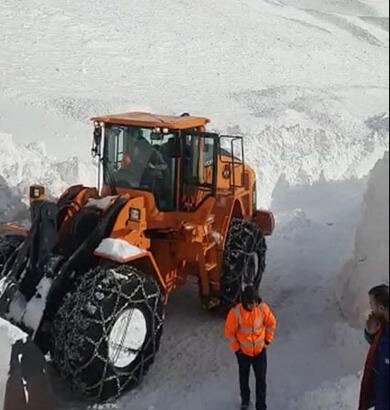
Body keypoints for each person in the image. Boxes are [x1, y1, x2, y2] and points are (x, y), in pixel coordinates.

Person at [225, 285, 277, 410]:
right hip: (244, 354)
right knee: (244, 379)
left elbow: (271, 323)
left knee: (261, 381)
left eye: (254, 303)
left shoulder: (263, 309)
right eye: (250, 304)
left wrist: (268, 340)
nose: (252, 306)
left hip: (260, 353)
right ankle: (245, 401)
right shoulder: (235, 313)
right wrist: (237, 350)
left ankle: (261, 406)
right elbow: (229, 333)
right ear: (244, 302)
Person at [359, 284, 389, 410]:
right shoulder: (382, 325)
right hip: (382, 394)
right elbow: (377, 346)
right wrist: (370, 333)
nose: (370, 308)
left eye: (371, 304)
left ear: (381, 308)